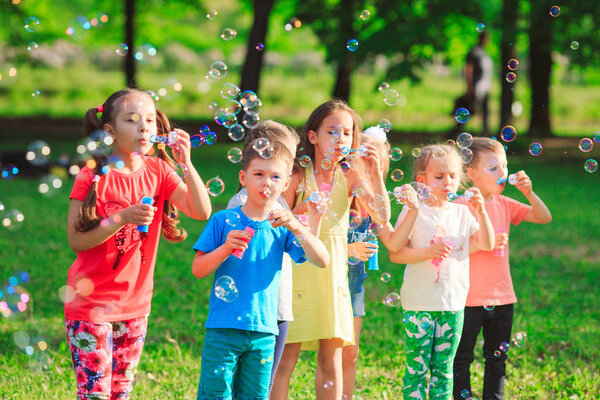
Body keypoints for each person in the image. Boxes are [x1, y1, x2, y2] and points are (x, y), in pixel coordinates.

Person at [65, 88, 212, 400]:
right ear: (109, 131)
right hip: (90, 304)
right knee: (95, 393)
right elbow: (76, 240)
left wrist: (186, 163)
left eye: (149, 120)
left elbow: (201, 211)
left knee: (121, 392)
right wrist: (122, 218)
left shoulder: (158, 170)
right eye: (132, 120)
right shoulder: (92, 176)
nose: (145, 127)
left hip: (136, 304)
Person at [192, 127, 330, 400]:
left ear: (286, 183)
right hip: (224, 328)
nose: (266, 182)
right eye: (259, 174)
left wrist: (298, 227)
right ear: (243, 177)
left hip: (264, 332)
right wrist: (225, 249)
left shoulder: (281, 226)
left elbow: (322, 259)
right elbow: (198, 270)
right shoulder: (223, 220)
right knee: (215, 395)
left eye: (275, 176)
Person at [271, 100, 391, 400]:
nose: (341, 139)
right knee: (285, 360)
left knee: (331, 361)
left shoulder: (350, 176)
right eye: (332, 132)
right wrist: (304, 208)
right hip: (297, 274)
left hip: (333, 279)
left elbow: (382, 216)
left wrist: (375, 174)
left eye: (348, 133)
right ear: (313, 137)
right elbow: (276, 216)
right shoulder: (298, 175)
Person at [389, 144, 494, 399]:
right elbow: (396, 253)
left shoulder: (462, 212)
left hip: (453, 304)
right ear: (421, 181)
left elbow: (486, 244)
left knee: (444, 370)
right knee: (417, 369)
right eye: (439, 176)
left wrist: (481, 211)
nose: (447, 182)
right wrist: (427, 253)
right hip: (418, 305)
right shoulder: (414, 211)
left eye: (452, 176)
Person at [452, 138, 551, 400]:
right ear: (471, 173)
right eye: (493, 167)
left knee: (497, 358)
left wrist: (529, 193)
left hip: (503, 296)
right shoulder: (460, 207)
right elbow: (451, 249)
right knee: (461, 358)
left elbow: (544, 217)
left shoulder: (505, 203)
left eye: (504, 166)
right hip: (468, 298)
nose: (503, 173)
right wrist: (484, 243)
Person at [225, 120, 300, 393]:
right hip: (250, 310)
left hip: (277, 306)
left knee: (262, 385)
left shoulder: (279, 202)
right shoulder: (241, 203)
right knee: (240, 384)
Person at [341, 125, 391, 399]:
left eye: (373, 160)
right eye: (359, 153)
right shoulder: (338, 196)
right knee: (329, 351)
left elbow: (385, 221)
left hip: (354, 288)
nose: (364, 162)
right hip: (327, 282)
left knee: (350, 351)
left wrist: (375, 176)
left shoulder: (371, 207)